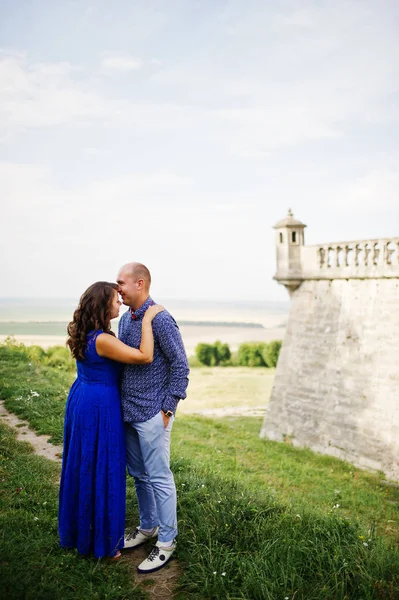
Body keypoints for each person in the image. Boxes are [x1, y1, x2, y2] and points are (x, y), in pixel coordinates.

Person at [58, 281, 163, 560]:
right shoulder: (103, 340)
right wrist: (148, 320)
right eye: (116, 300)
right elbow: (145, 356)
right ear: (104, 305)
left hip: (83, 397)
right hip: (100, 405)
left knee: (84, 464)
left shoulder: (91, 334)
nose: (120, 303)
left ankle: (82, 532)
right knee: (103, 467)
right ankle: (103, 543)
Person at [117, 262, 189, 574]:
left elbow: (181, 366)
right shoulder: (123, 319)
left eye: (121, 282)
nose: (117, 287)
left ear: (140, 283)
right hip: (128, 412)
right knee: (139, 474)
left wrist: (168, 409)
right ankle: (148, 528)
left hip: (152, 414)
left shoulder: (160, 318)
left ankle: (167, 543)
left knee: (159, 477)